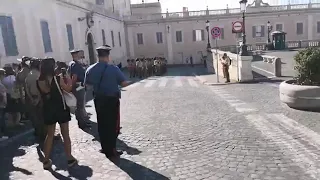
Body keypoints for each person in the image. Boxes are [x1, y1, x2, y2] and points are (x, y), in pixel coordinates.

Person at [84, 45, 131, 159]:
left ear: (98, 56)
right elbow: (123, 83)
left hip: (98, 99)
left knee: (102, 123)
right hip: (111, 100)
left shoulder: (90, 69)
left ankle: (104, 147)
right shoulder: (113, 69)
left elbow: (87, 85)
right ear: (108, 56)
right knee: (113, 125)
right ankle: (111, 150)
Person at [37, 58, 77, 169]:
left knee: (49, 135)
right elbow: (68, 89)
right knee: (65, 134)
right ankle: (69, 158)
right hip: (61, 109)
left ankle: (45, 160)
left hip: (48, 110)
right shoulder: (57, 78)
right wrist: (68, 77)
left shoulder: (38, 81)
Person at [68, 49, 91, 129]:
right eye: (77, 54)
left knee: (80, 105)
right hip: (78, 86)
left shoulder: (74, 63)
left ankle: (83, 121)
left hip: (80, 85)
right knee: (80, 106)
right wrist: (72, 87)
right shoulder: (75, 64)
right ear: (75, 55)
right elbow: (74, 77)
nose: (78, 55)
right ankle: (82, 123)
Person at [25, 58, 47, 141]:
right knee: (42, 117)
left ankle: (38, 132)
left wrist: (31, 98)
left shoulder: (28, 75)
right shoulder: (39, 75)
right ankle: (45, 134)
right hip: (40, 98)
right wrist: (38, 98)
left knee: (35, 117)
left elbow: (26, 89)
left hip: (32, 98)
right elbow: (41, 88)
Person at [0, 68, 8, 141]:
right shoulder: (1, 85)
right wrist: (5, 102)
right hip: (1, 105)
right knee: (1, 120)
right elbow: (3, 96)